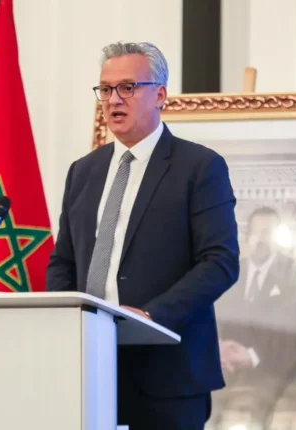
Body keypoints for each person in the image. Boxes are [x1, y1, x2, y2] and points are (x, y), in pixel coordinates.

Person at [46, 41, 240, 429]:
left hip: (167, 376)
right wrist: (67, 322)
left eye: (128, 87)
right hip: (89, 368)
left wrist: (151, 316)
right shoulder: (83, 171)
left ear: (161, 95)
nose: (114, 99)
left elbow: (220, 262)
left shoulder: (199, 167)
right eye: (106, 89)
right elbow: (63, 261)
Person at [214, 206, 296, 424]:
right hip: (230, 367)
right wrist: (220, 348)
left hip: (274, 367)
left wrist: (251, 356)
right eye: (255, 233)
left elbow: (290, 332)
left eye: (267, 232)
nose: (261, 239)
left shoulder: (293, 273)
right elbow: (218, 319)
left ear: (276, 238)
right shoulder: (232, 272)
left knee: (253, 408)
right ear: (247, 237)